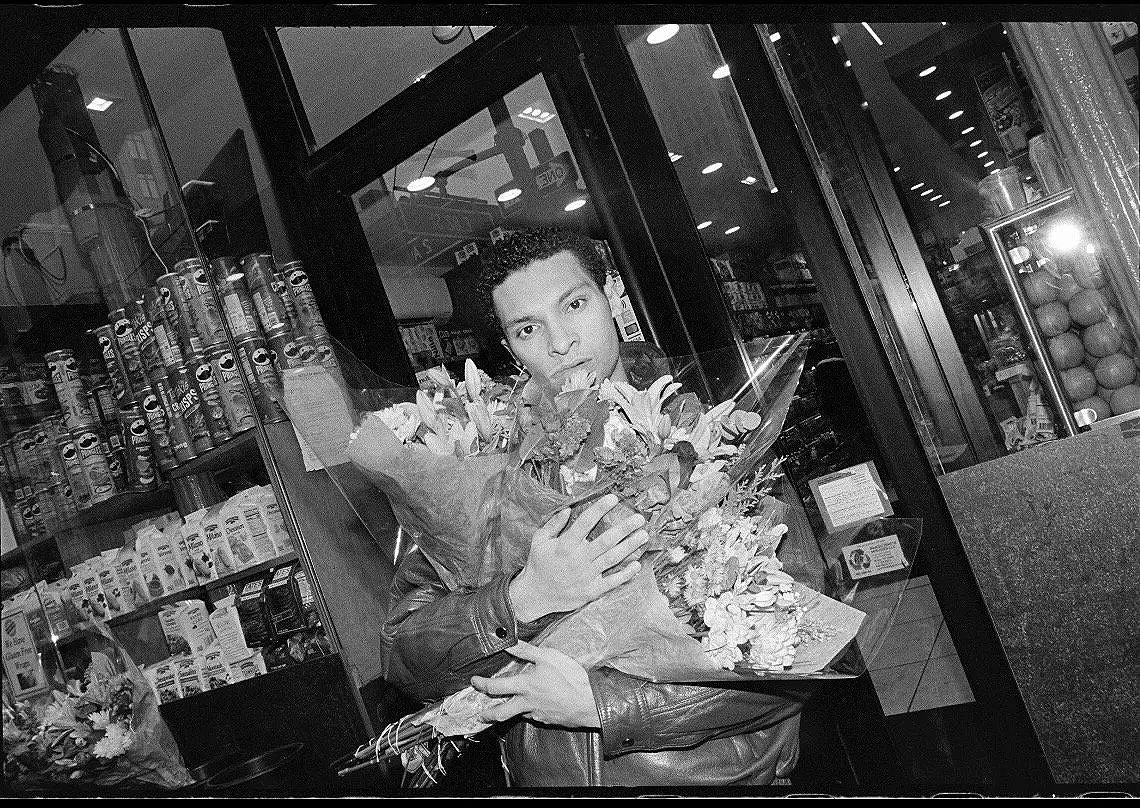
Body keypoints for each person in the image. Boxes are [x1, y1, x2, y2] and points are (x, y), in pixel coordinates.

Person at [380, 227, 813, 788]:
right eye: (528, 329)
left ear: (612, 297)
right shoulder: (480, 466)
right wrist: (525, 596)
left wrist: (601, 705)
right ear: (510, 348)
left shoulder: (715, 440)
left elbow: (800, 649)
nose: (560, 343)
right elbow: (405, 658)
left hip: (714, 780)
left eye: (575, 305)